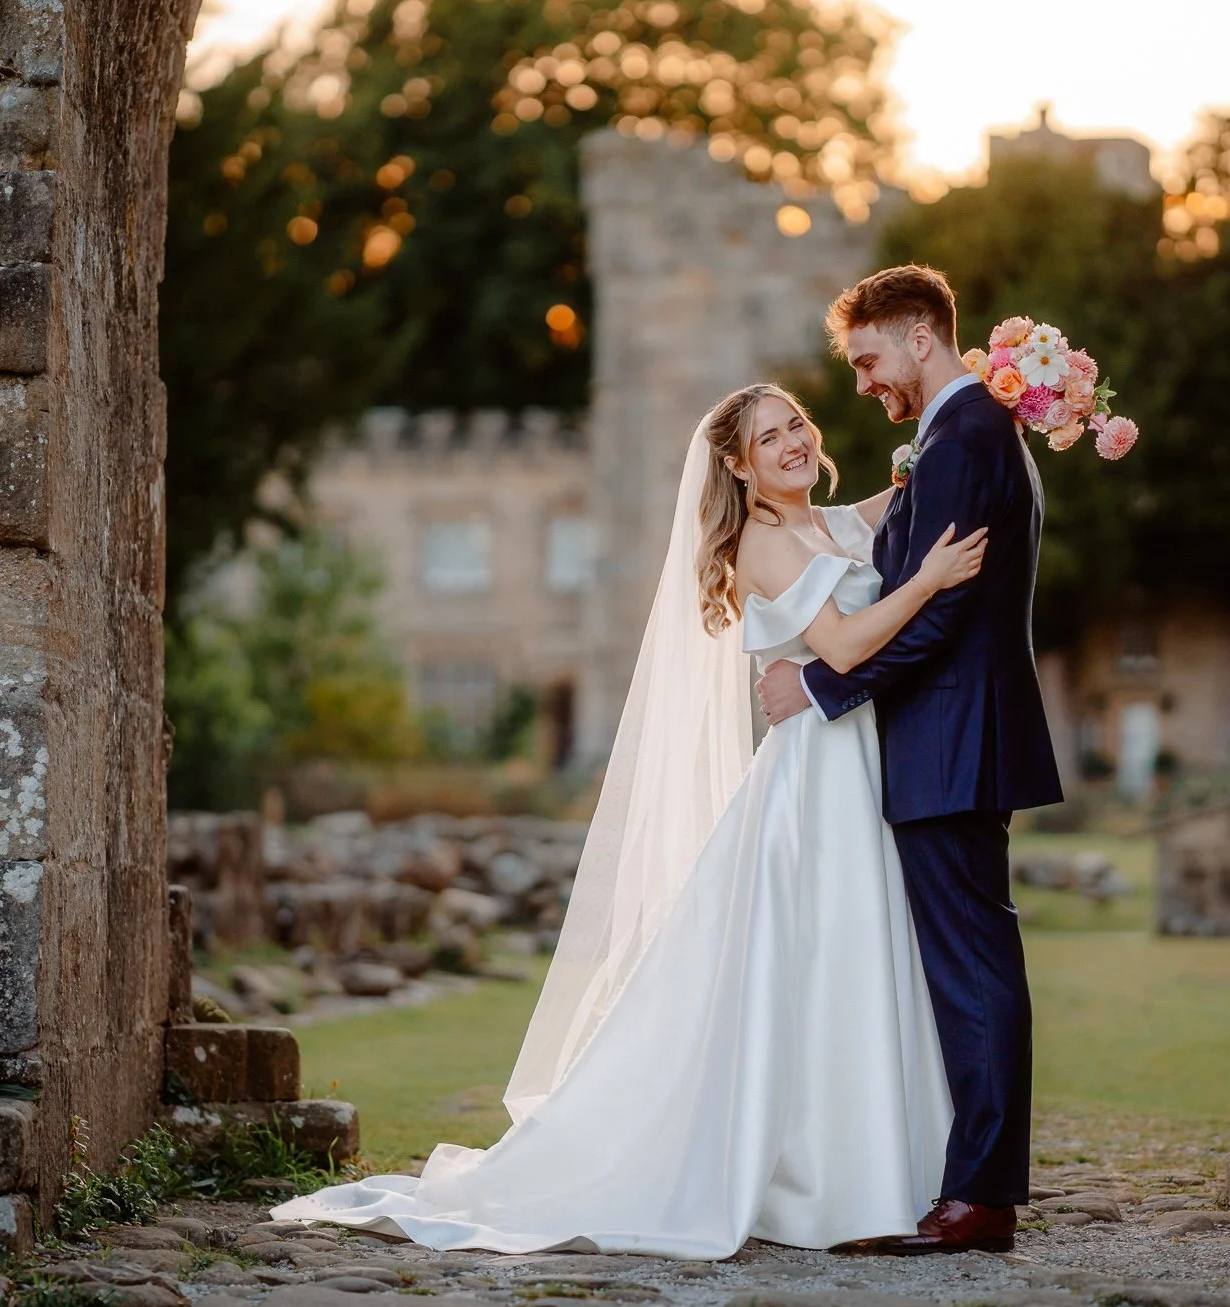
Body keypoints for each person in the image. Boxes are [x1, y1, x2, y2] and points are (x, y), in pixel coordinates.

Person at [272, 377, 992, 1257]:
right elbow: (841, 645)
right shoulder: (765, 542)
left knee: (861, 958)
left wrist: (999, 402)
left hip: (865, 763)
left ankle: (874, 1167)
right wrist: (930, 579)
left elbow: (917, 479)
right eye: (769, 439)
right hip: (816, 784)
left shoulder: (830, 523)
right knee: (818, 958)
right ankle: (815, 1180)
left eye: (796, 424)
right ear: (737, 465)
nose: (794, 442)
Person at [756, 264, 1062, 1254]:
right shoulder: (958, 435)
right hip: (951, 737)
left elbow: (943, 615)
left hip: (952, 739)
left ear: (919, 338)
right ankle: (969, 1181)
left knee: (974, 970)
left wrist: (818, 687)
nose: (861, 384)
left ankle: (978, 1200)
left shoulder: (966, 434)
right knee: (969, 964)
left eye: (868, 359)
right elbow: (919, 590)